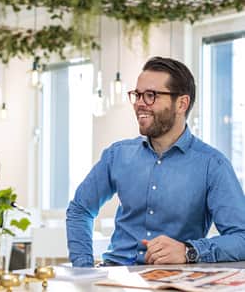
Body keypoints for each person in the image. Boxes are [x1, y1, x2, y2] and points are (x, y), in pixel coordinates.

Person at [67, 56, 245, 267]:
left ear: (181, 103)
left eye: (151, 95)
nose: (140, 104)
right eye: (137, 95)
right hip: (114, 276)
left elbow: (241, 238)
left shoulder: (212, 165)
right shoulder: (118, 155)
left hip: (174, 280)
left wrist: (189, 251)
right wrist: (84, 269)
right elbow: (80, 209)